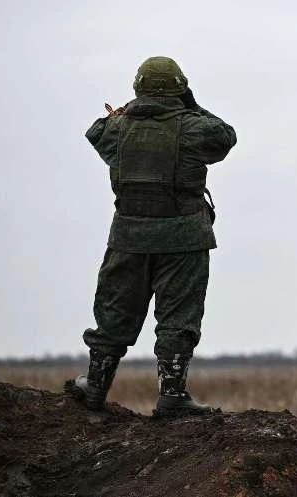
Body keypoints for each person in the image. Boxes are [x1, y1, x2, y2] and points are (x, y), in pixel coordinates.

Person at [66, 56, 237, 417]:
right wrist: (191, 104)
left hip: (128, 237)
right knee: (178, 317)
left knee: (114, 312)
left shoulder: (115, 129)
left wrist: (127, 112)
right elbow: (225, 135)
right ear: (180, 88)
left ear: (138, 88)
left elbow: (96, 131)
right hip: (184, 239)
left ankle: (95, 385)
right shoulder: (194, 128)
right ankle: (172, 394)